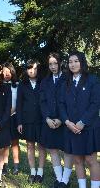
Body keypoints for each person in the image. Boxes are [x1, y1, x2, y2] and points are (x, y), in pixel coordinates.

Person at [59, 51, 100, 188]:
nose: (73, 64)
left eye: (76, 61)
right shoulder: (66, 82)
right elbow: (61, 104)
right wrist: (67, 122)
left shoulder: (92, 80)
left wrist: (83, 122)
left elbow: (95, 104)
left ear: (82, 62)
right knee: (77, 160)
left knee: (90, 160)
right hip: (71, 127)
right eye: (70, 62)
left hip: (88, 127)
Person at [39, 53, 73, 188]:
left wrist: (61, 118)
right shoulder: (45, 81)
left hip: (64, 121)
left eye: (55, 63)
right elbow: (42, 102)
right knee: (52, 149)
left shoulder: (67, 79)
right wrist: (47, 118)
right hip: (49, 121)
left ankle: (65, 180)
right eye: (50, 64)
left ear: (60, 63)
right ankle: (59, 179)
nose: (53, 67)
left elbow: (70, 102)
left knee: (67, 150)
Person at [16, 59, 46, 184]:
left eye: (34, 68)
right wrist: (19, 122)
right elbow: (19, 104)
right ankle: (33, 171)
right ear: (26, 70)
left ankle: (40, 172)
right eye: (29, 68)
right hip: (27, 120)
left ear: (38, 69)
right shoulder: (22, 84)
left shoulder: (43, 82)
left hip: (41, 119)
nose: (32, 71)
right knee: (29, 145)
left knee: (41, 146)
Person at [2, 62, 20, 175]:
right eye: (4, 72)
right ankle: (4, 166)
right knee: (5, 143)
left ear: (12, 72)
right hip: (3, 118)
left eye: (8, 71)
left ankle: (16, 166)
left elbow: (20, 101)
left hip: (14, 117)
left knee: (14, 143)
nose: (6, 74)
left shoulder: (18, 85)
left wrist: (12, 111)